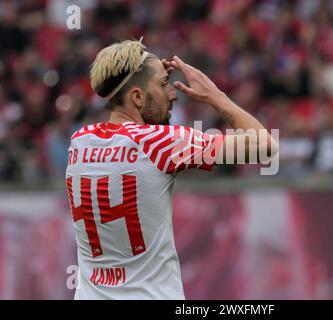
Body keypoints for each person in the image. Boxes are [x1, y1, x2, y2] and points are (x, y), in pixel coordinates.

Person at [65, 39, 278, 299]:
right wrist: (216, 97)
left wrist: (151, 68)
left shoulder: (79, 143)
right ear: (137, 96)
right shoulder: (159, 143)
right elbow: (265, 147)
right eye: (164, 84)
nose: (173, 94)